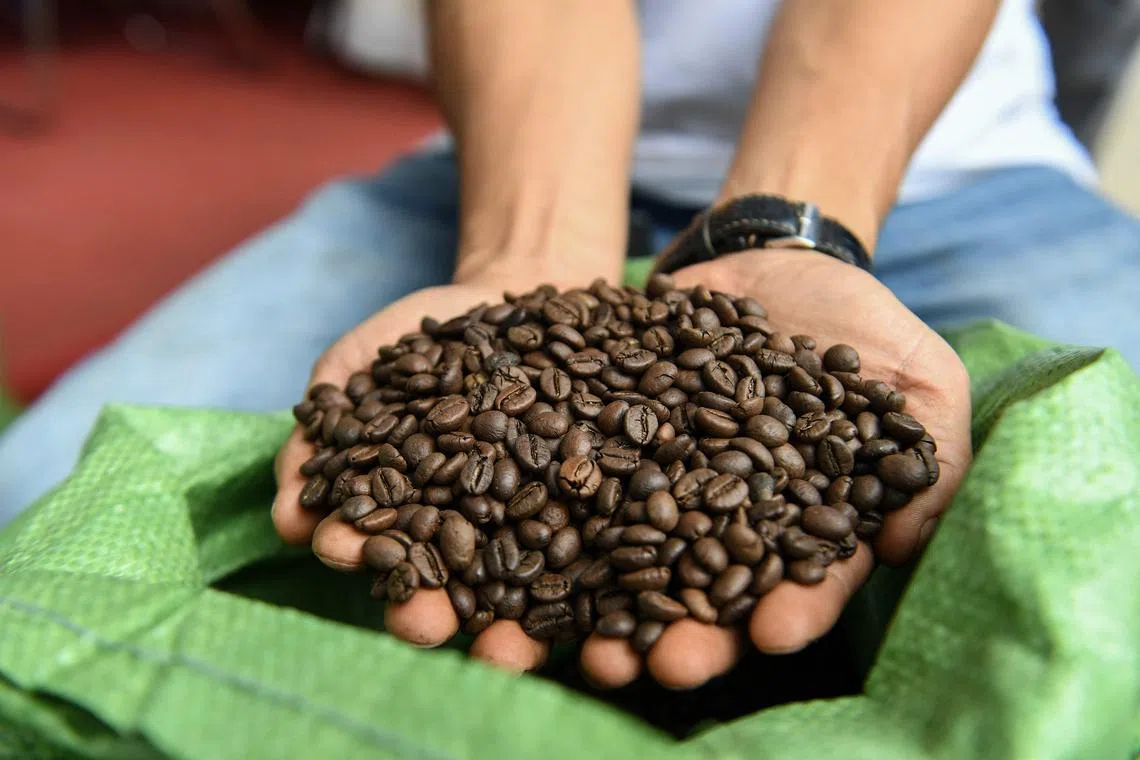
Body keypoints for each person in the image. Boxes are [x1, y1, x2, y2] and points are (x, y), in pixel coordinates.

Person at [2, 0, 1138, 689]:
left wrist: (799, 231)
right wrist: (527, 255)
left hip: (954, 171)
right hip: (502, 165)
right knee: (34, 511)